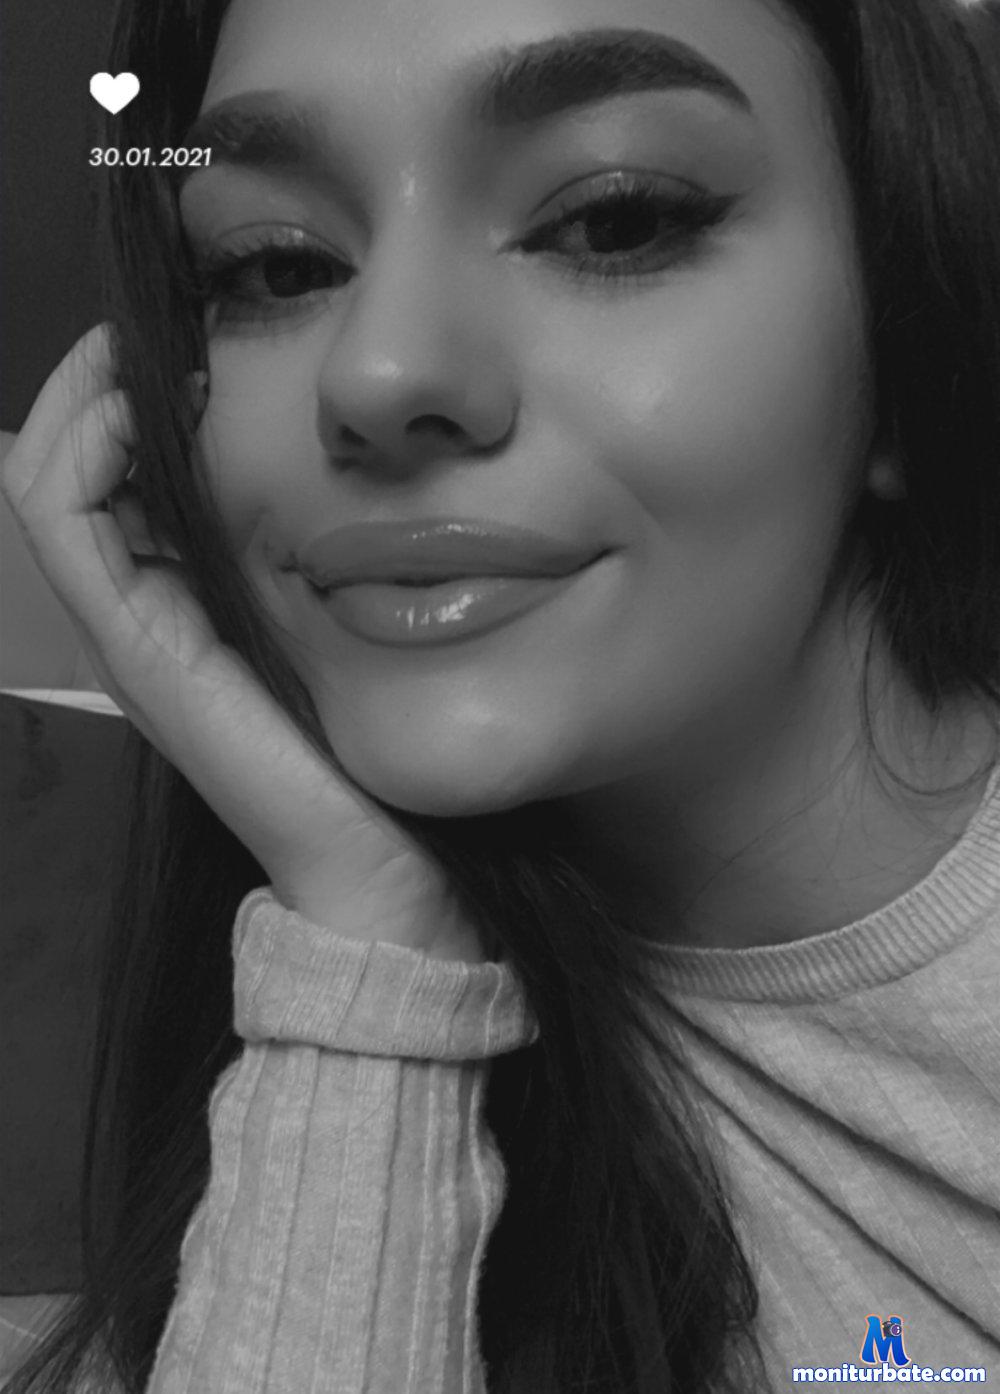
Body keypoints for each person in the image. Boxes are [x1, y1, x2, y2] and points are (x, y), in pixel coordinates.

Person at [2, 0, 998, 1388]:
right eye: (278, 265)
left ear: (902, 335)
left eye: (611, 222)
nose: (377, 372)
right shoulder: (330, 1029)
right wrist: (369, 937)